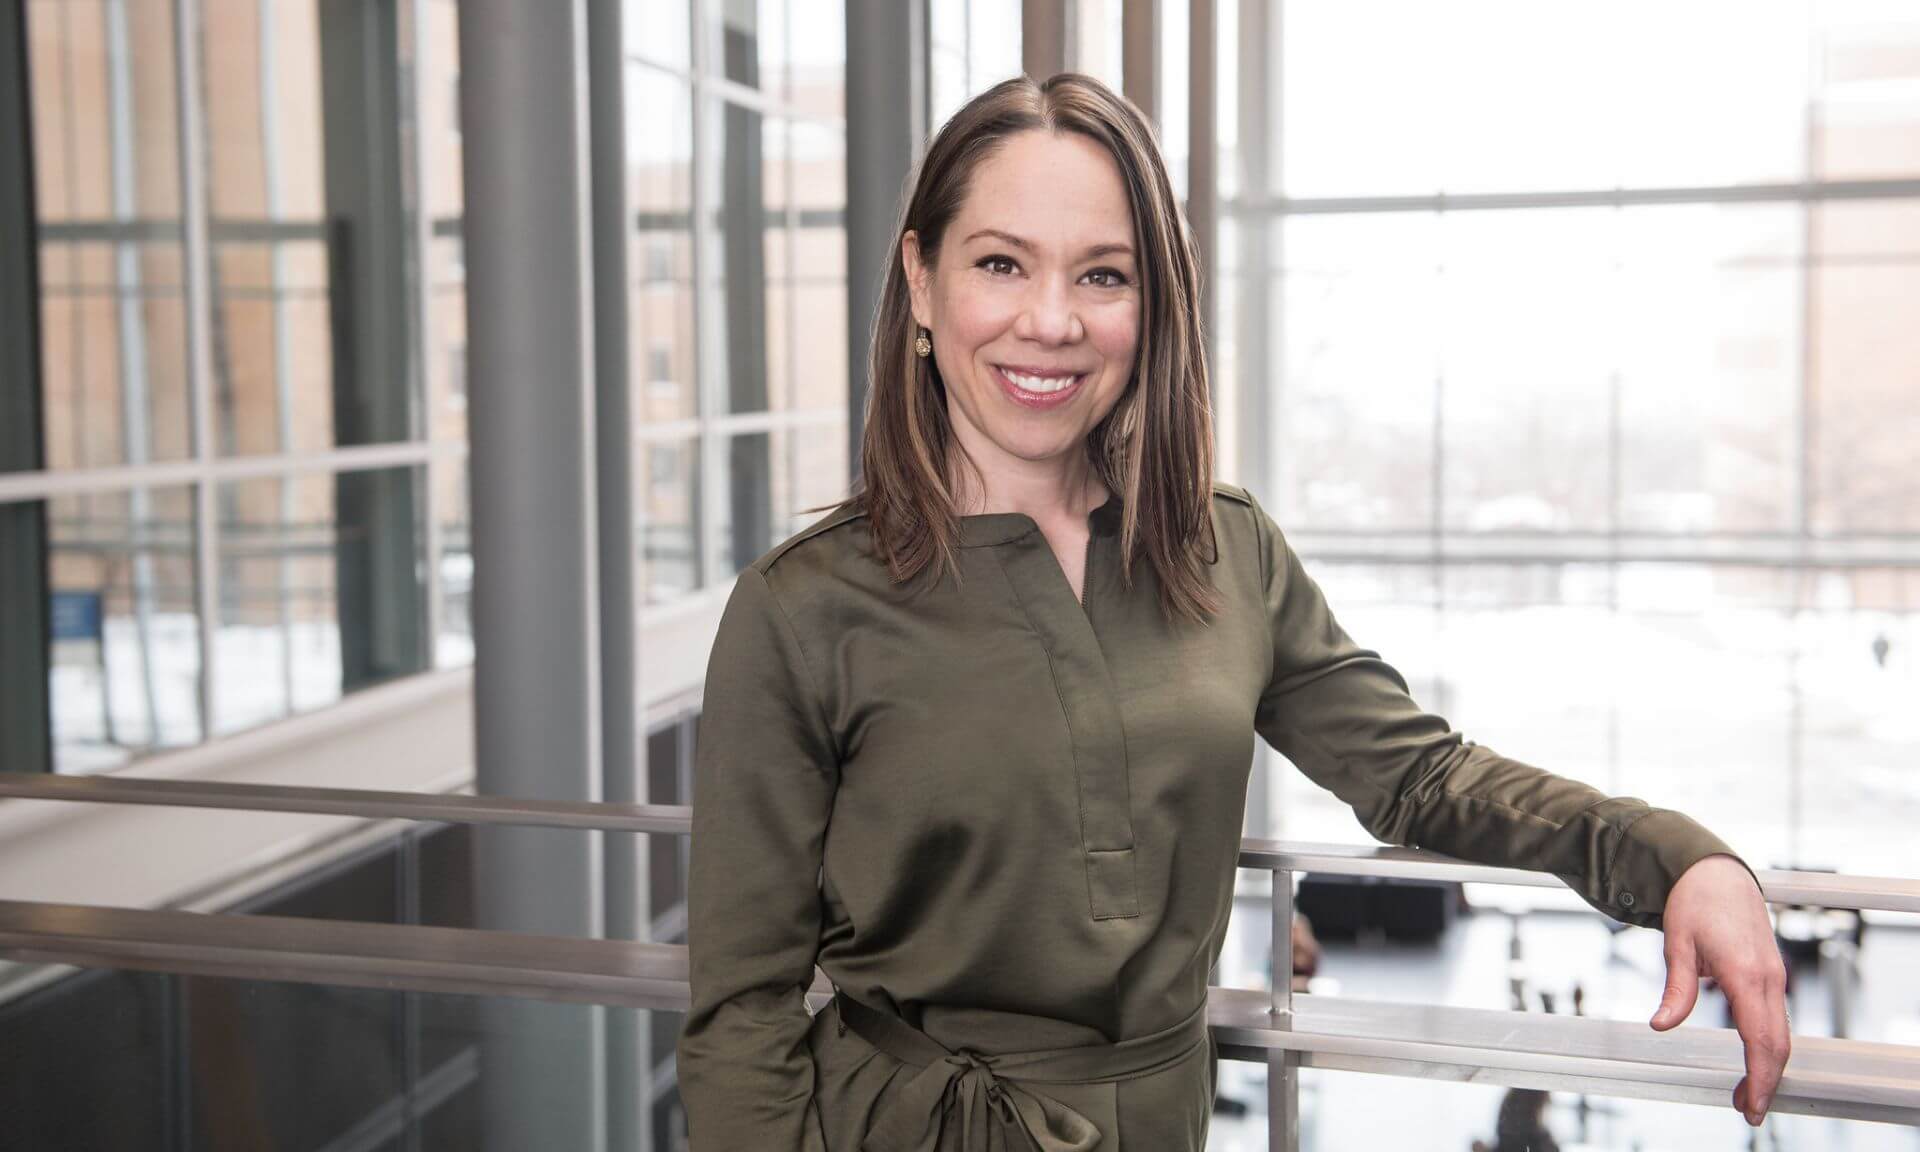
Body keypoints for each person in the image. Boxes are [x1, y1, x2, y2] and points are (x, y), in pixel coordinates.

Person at [675, 72, 1789, 1151]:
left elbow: (1420, 775)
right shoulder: (802, 606)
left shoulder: (1223, 546)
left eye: (1103, 276)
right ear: (921, 280)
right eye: (1002, 263)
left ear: (1154, 303)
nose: (1051, 321)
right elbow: (743, 1014)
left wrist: (1676, 860)